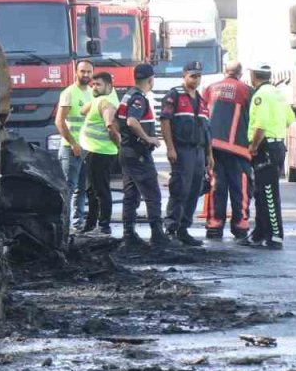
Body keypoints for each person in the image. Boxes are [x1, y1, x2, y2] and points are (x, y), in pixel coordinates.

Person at [117, 63, 173, 249]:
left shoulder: (127, 95)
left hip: (127, 152)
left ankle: (129, 234)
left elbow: (116, 122)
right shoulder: (139, 98)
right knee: (152, 194)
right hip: (139, 154)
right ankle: (157, 235)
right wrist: (147, 137)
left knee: (131, 195)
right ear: (150, 80)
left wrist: (123, 142)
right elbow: (132, 121)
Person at [160, 61, 212, 247]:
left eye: (198, 76)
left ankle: (184, 229)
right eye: (192, 76)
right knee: (180, 188)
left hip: (198, 151)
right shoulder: (174, 95)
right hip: (182, 150)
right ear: (184, 76)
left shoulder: (202, 100)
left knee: (194, 190)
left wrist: (209, 156)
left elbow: (207, 131)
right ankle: (172, 228)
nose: (196, 79)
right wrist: (170, 147)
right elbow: (165, 122)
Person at [203, 60, 253, 242]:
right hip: (238, 149)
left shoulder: (210, 88)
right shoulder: (246, 90)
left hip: (213, 147)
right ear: (240, 73)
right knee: (241, 188)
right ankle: (240, 226)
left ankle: (214, 226)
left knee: (216, 187)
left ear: (225, 72)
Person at [246, 63, 294, 249]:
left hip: (265, 146)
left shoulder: (260, 95)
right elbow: (290, 119)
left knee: (268, 192)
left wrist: (254, 145)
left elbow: (261, 124)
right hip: (277, 144)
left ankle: (275, 235)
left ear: (253, 76)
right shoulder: (277, 93)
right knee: (261, 192)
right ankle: (260, 232)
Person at [79, 72, 121, 234]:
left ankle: (104, 226)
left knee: (101, 190)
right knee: (92, 191)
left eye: (98, 85)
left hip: (101, 153)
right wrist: (93, 96)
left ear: (109, 86)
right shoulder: (98, 100)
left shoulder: (106, 103)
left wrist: (119, 147)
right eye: (93, 85)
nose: (94, 87)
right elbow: (83, 110)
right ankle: (90, 225)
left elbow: (110, 126)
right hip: (93, 151)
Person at [54, 60, 93, 231]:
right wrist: (73, 143)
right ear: (76, 72)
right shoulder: (69, 93)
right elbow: (59, 121)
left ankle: (78, 225)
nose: (85, 75)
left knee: (82, 189)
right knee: (68, 189)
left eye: (89, 72)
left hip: (88, 149)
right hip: (71, 149)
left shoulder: (92, 93)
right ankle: (63, 226)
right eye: (82, 71)